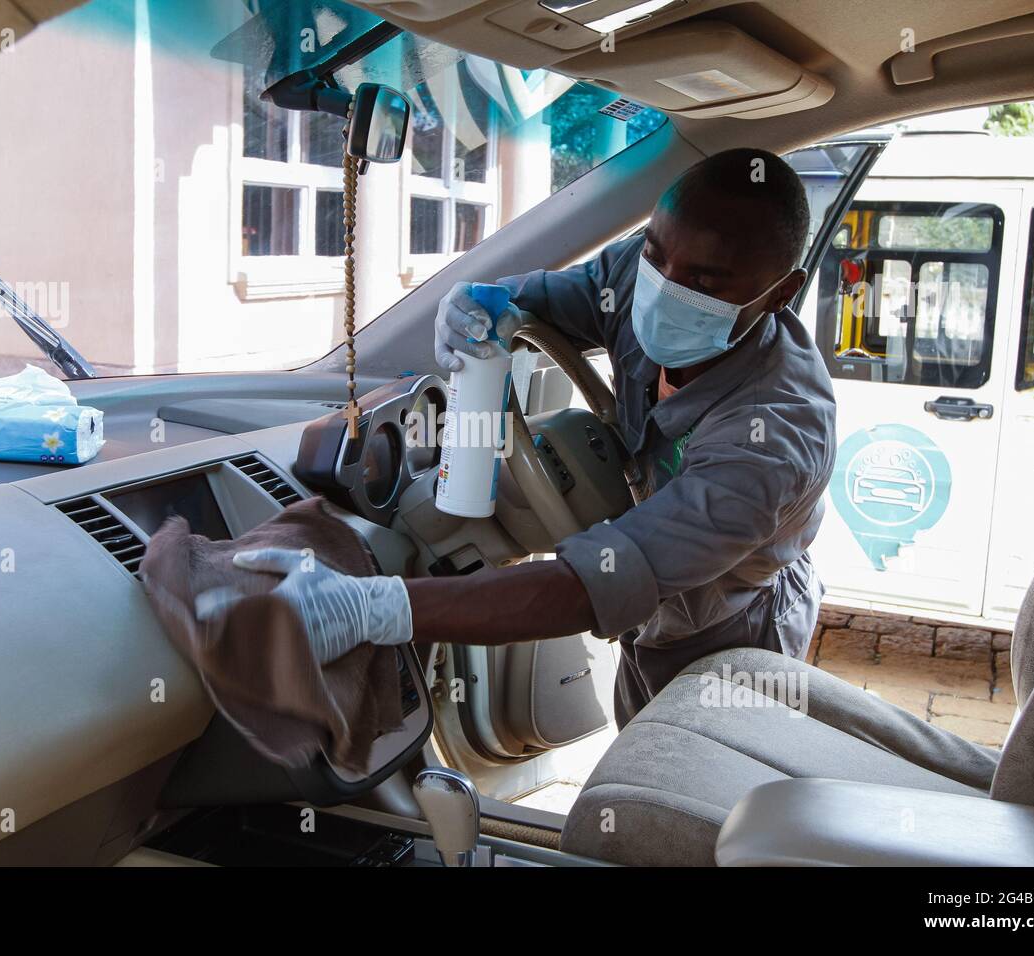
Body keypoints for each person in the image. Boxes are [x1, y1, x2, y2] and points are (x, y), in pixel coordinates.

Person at [235, 147, 837, 727]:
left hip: (729, 625)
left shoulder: (773, 438)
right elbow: (542, 303)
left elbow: (593, 585)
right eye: (655, 253)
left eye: (704, 282)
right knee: (641, 741)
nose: (661, 285)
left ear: (780, 293)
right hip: (654, 613)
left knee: (693, 795)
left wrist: (376, 608)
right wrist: (477, 306)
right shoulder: (641, 273)